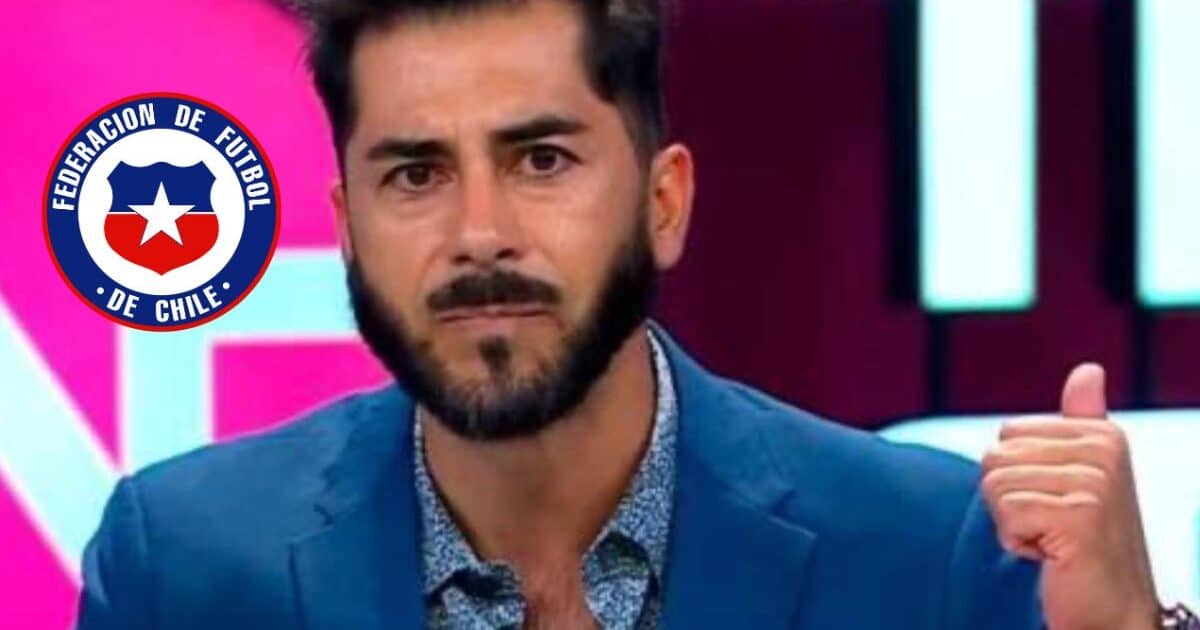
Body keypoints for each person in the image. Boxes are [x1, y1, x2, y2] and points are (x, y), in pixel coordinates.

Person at [77, 0, 1191, 628]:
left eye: (541, 159)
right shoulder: (180, 563)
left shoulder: (930, 552)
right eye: (415, 174)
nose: (479, 232)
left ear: (664, 203)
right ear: (349, 227)